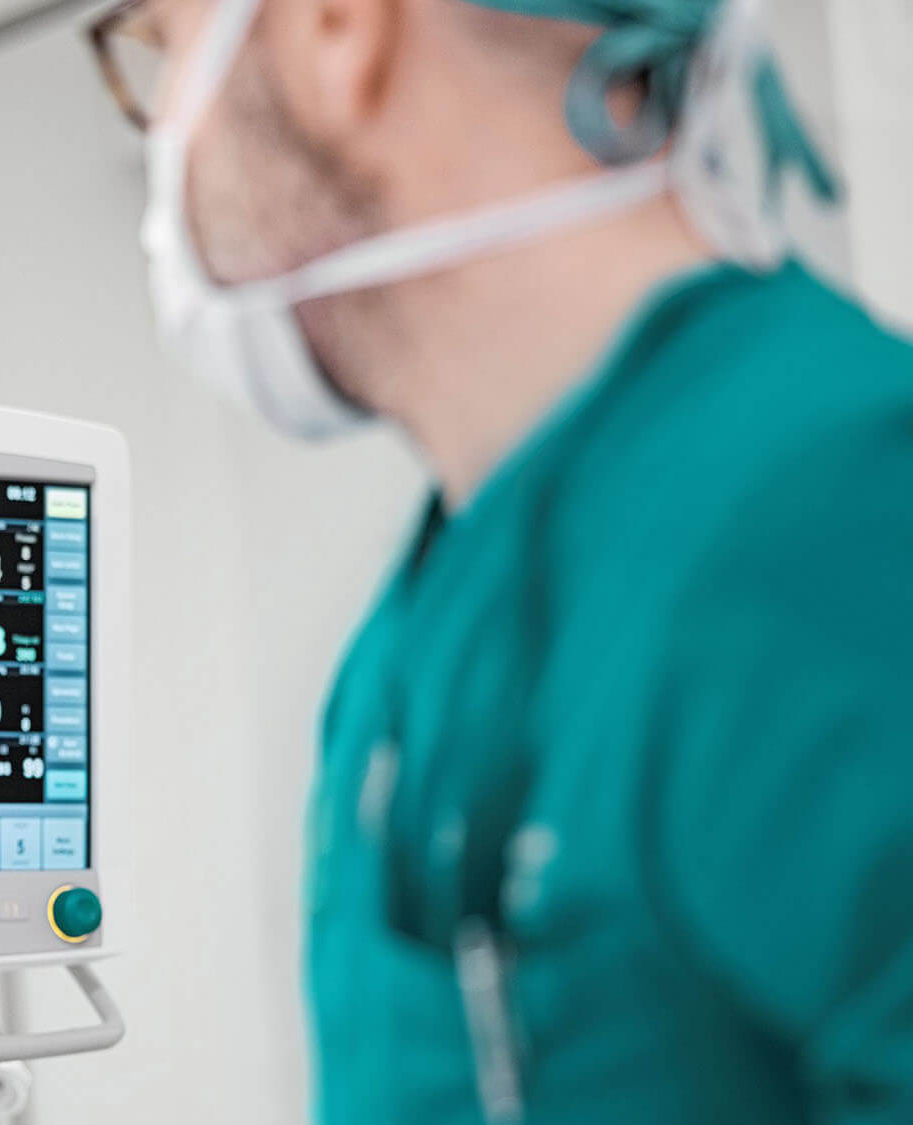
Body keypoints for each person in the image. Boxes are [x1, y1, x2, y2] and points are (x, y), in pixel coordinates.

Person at [88, 0, 913, 1121]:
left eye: (166, 46)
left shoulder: (839, 517)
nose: (166, 141)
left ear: (337, 30)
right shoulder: (417, 631)